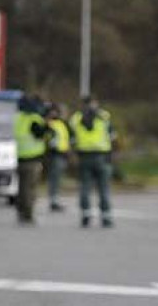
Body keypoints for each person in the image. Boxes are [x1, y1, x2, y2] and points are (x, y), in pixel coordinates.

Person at [70, 95, 115, 228]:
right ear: (95, 103)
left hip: (84, 157)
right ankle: (106, 217)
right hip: (102, 156)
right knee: (104, 188)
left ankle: (85, 215)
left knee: (85, 187)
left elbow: (72, 139)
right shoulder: (104, 117)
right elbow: (112, 136)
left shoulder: (76, 118)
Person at [14, 93, 48, 224]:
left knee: (21, 188)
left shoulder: (18, 118)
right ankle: (28, 213)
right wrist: (46, 124)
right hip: (33, 159)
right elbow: (40, 134)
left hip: (20, 157)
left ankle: (21, 211)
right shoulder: (34, 119)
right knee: (30, 188)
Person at [45, 103, 70, 212]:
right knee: (54, 179)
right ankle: (53, 201)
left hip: (62, 155)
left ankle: (55, 200)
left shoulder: (61, 123)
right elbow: (49, 139)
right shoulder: (50, 123)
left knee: (57, 179)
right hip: (54, 155)